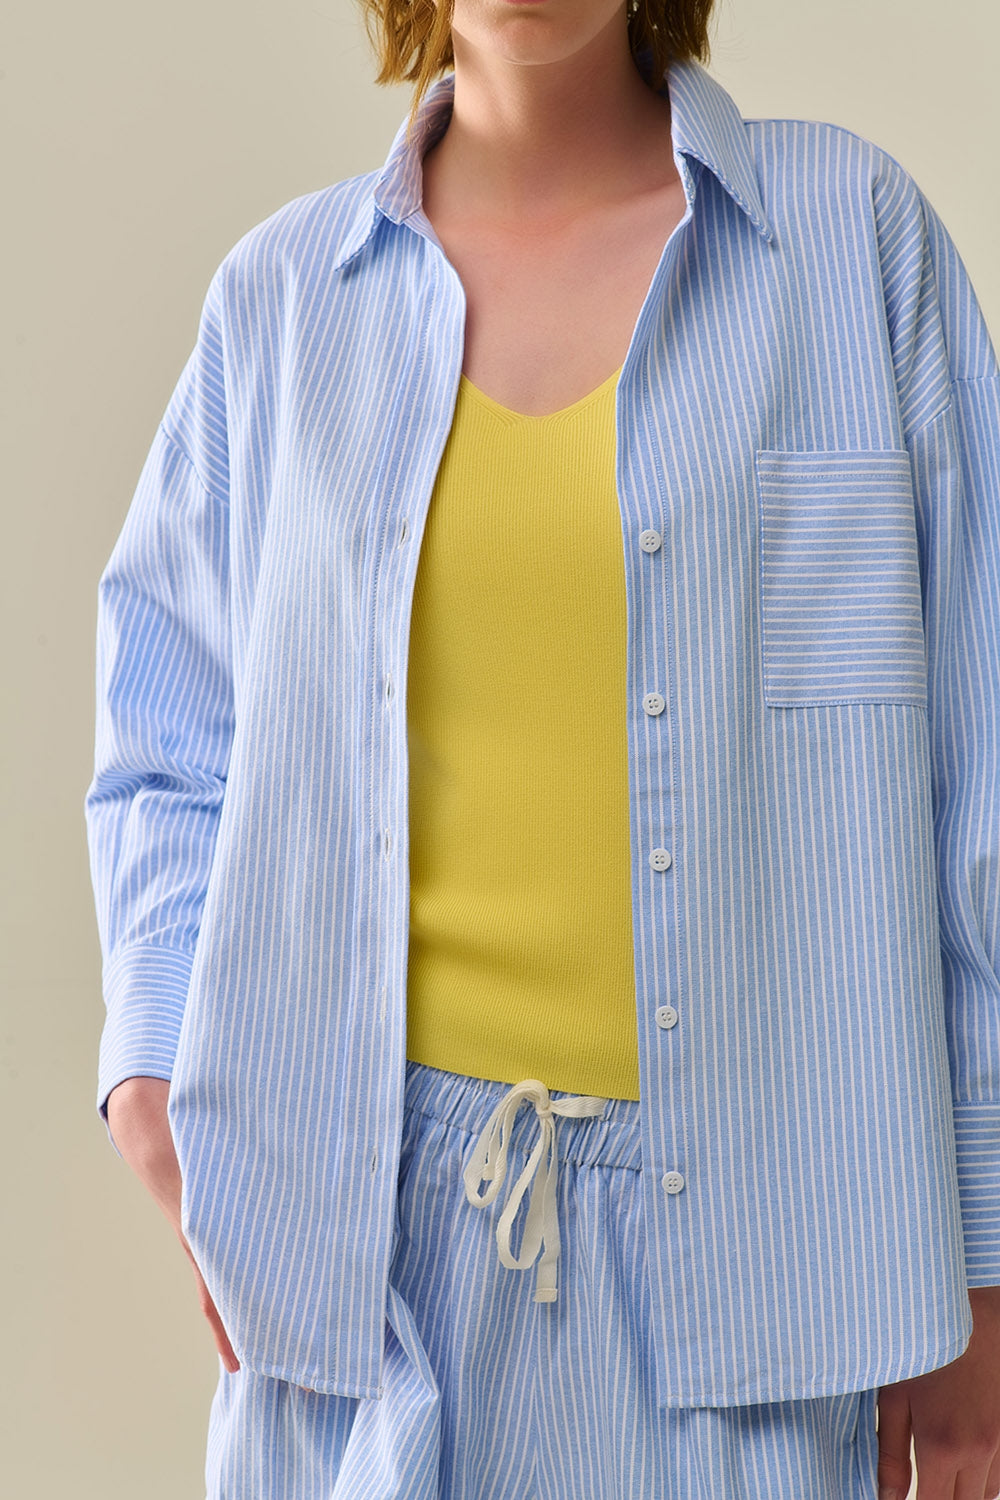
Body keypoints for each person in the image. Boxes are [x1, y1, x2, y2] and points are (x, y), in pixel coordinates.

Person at [85, 0, 1000, 1494]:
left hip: (775, 1273)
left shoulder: (853, 246)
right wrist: (154, 1076)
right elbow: (168, 736)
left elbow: (979, 762)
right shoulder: (281, 305)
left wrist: (983, 1259)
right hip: (365, 1276)